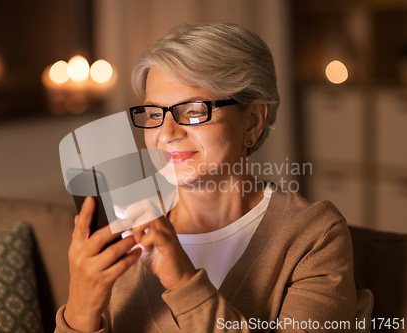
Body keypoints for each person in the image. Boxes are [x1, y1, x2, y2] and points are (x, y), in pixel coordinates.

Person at [55, 23, 357, 333]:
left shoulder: (313, 236)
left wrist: (185, 283)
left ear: (252, 121)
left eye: (195, 111)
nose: (168, 134)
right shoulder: (124, 222)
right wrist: (80, 311)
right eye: (155, 114)